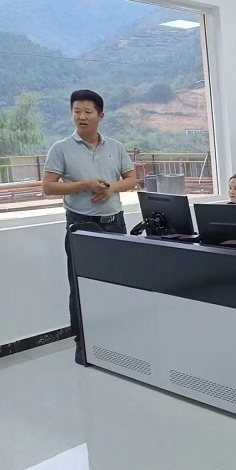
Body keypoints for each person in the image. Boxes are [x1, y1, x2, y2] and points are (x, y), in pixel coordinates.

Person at [42, 89, 137, 364]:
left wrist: (111, 189)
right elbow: (48, 187)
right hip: (81, 224)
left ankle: (117, 338)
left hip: (115, 222)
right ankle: (83, 343)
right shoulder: (61, 148)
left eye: (87, 112)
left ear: (100, 116)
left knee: (118, 281)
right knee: (81, 284)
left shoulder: (115, 147)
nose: (81, 117)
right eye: (76, 111)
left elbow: (131, 180)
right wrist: (85, 185)